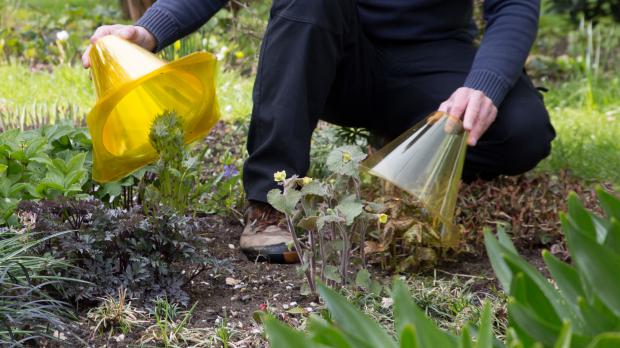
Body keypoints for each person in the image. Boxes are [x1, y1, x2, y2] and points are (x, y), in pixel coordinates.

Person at [83, 0, 556, 264]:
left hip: (433, 64)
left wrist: (482, 86)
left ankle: (403, 147)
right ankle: (270, 201)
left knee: (522, 132)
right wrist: (147, 31)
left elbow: (513, 5)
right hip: (335, 58)